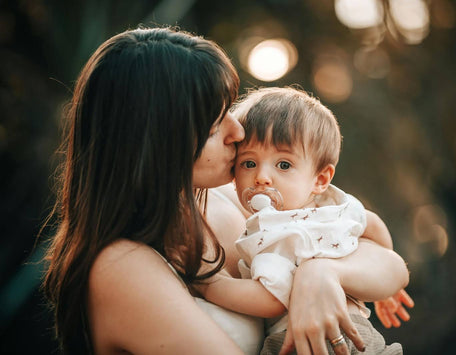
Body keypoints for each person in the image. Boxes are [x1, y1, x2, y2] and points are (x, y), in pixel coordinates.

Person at [42, 26, 410, 355]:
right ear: (160, 143)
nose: (238, 132)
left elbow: (386, 259)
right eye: (216, 123)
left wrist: (323, 274)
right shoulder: (122, 267)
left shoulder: (239, 200)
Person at [195, 87, 414, 354]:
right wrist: (378, 285)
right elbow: (372, 224)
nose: (262, 177)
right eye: (249, 164)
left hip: (305, 341)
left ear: (320, 179)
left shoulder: (271, 231)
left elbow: (270, 300)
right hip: (362, 338)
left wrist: (212, 285)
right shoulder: (335, 208)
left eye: (284, 165)